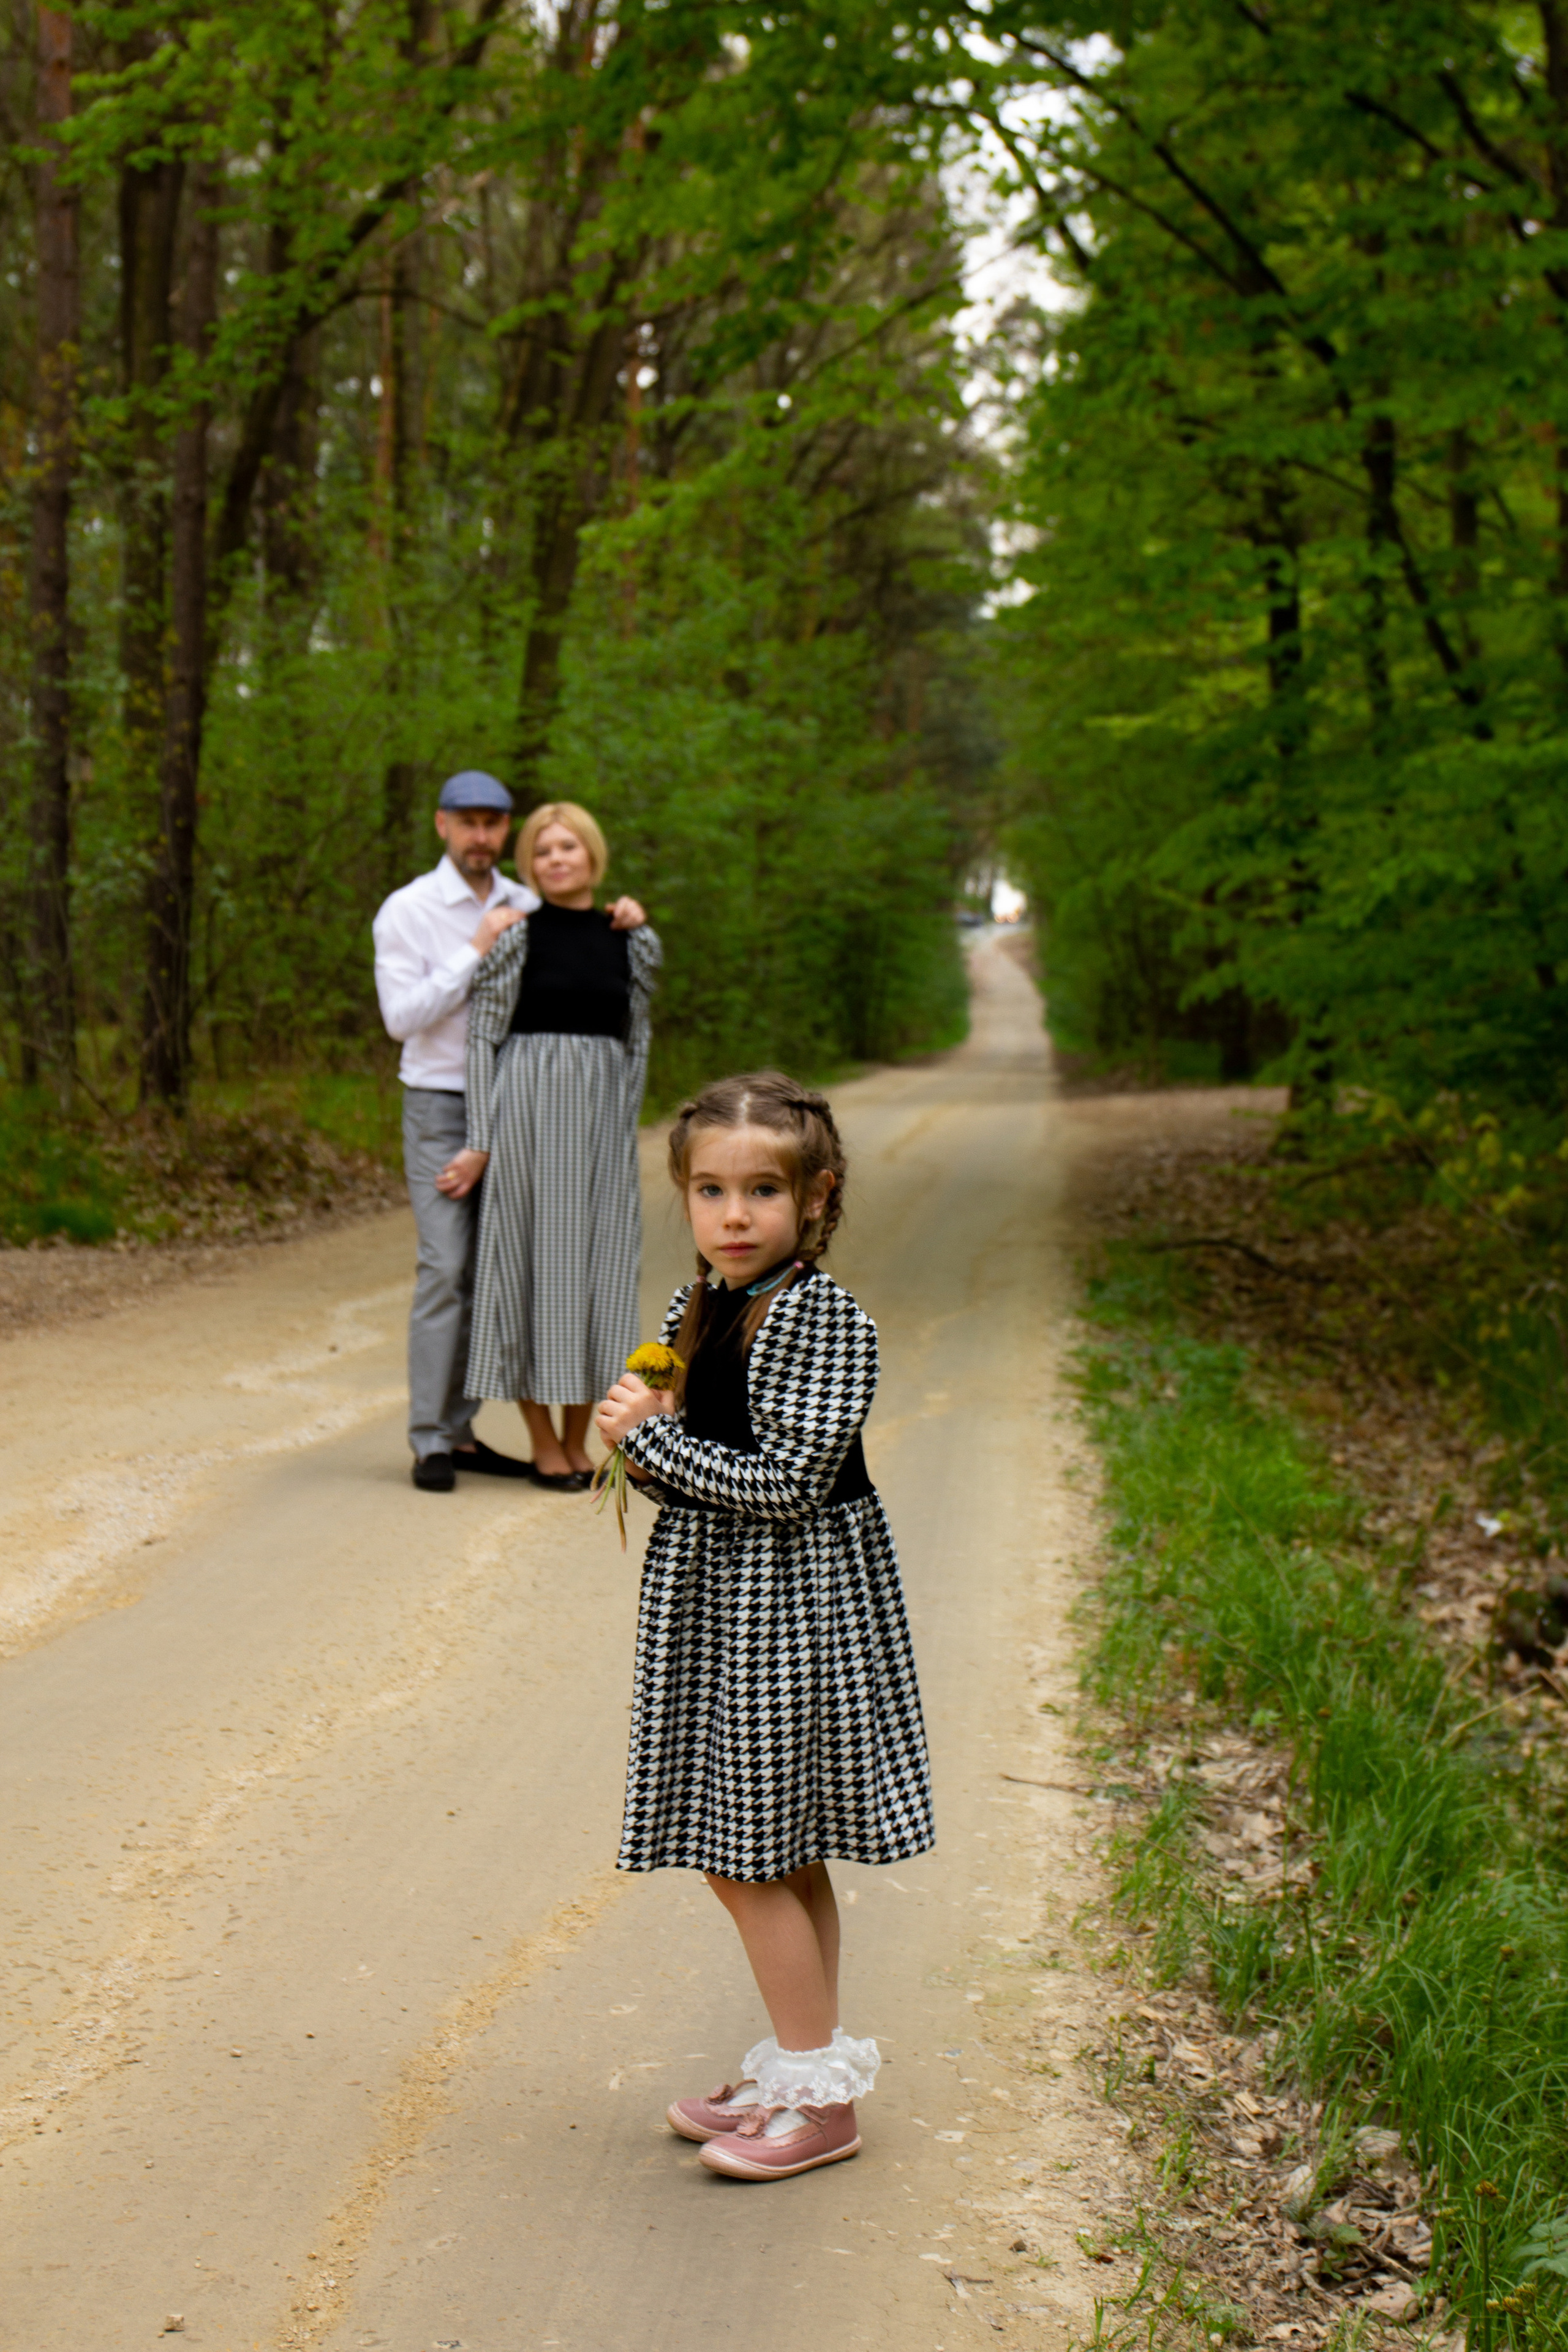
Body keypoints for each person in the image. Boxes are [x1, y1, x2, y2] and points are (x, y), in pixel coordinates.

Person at [595, 1072, 934, 2181]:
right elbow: (684, 1468)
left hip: (795, 1603)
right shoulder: (696, 1307)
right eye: (709, 1189)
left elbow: (789, 1481)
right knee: (773, 1851)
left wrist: (650, 1443)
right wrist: (638, 1437)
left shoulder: (826, 1320)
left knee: (745, 1858)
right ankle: (804, 2069)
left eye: (760, 1192)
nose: (732, 1216)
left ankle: (819, 2103)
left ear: (817, 1198)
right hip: (722, 1598)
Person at [437, 802, 660, 1488]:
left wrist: (625, 1127)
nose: (556, 859)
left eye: (568, 847)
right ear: (529, 866)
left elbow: (638, 1037)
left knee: (596, 1279)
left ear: (593, 855)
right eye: (542, 851)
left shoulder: (634, 939)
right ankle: (542, 1444)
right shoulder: (515, 937)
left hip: (599, 1127)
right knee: (527, 1277)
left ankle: (578, 1441)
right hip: (527, 1119)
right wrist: (482, 1137)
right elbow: (482, 1038)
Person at [372, 771, 540, 1493]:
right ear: (442, 825)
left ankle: (462, 1432)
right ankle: (428, 1440)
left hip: (517, 1104)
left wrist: (624, 919)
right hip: (440, 1104)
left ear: (507, 831)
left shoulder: (530, 904)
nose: (481, 836)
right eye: (467, 822)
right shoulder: (406, 910)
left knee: (492, 1272)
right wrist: (477, 947)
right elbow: (401, 1019)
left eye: (493, 824)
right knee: (445, 1267)